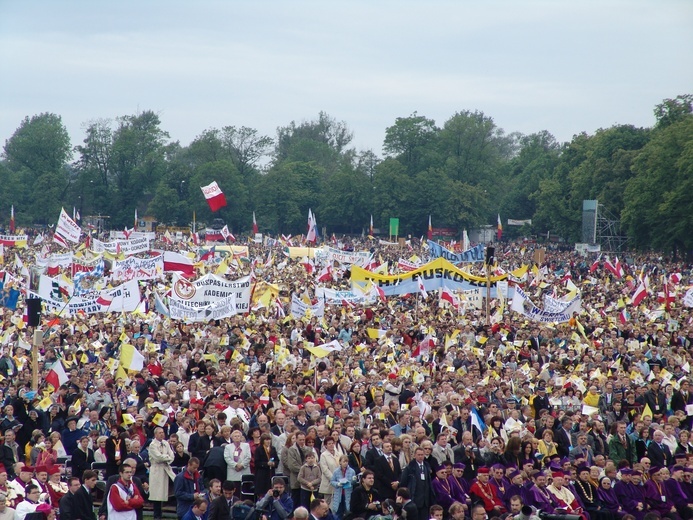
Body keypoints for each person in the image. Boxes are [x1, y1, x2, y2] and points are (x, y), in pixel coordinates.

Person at [148, 427, 176, 520]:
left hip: (166, 469)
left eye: (162, 432)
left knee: (168, 490)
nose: (161, 434)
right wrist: (167, 457)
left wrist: (167, 458)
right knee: (157, 494)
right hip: (157, 470)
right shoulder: (152, 445)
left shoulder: (166, 443)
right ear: (155, 434)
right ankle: (157, 515)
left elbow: (172, 455)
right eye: (159, 433)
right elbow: (158, 457)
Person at [399, 447, 431, 520]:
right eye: (418, 455)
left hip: (425, 501)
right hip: (415, 499)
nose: (420, 456)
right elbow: (403, 483)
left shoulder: (427, 466)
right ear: (415, 455)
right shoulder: (409, 468)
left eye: (422, 455)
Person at [329, 454, 356, 519]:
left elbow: (353, 483)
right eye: (344, 461)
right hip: (339, 494)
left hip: (348, 494)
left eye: (346, 462)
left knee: (347, 511)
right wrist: (337, 484)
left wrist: (354, 480)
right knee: (338, 512)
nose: (345, 463)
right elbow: (332, 481)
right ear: (340, 462)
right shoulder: (336, 471)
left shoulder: (352, 471)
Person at [255, 434, 278, 498]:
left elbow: (277, 460)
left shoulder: (273, 449)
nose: (268, 441)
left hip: (271, 473)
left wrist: (274, 464)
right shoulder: (259, 449)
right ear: (263, 441)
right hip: (262, 475)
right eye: (266, 440)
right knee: (262, 493)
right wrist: (266, 464)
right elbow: (257, 462)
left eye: (269, 440)